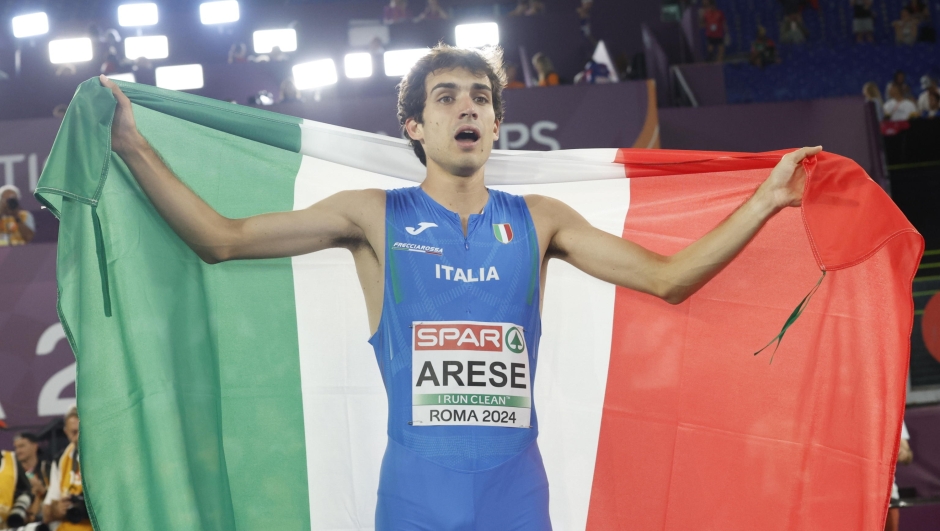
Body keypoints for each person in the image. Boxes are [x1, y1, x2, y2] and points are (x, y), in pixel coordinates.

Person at [98, 44, 820, 529]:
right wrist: (132, 146)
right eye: (445, 98)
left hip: (517, 494)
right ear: (414, 124)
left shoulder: (541, 221)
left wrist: (766, 201)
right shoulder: (373, 218)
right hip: (415, 496)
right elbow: (220, 239)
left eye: (479, 97)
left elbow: (668, 278)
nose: (466, 108)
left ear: (500, 123)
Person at [43, 407, 92, 531]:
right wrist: (57, 510)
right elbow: (46, 514)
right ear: (66, 432)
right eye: (74, 432)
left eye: (82, 431)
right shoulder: (60, 460)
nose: (78, 437)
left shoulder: (107, 457)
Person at [885, 421, 913, 531]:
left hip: (889, 498)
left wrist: (901, 452)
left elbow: (907, 456)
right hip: (851, 497)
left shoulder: (893, 413)